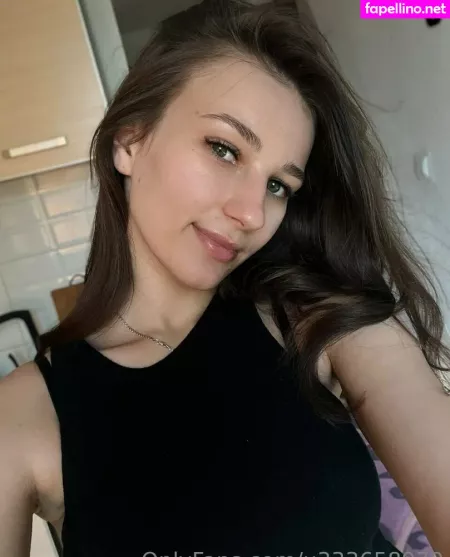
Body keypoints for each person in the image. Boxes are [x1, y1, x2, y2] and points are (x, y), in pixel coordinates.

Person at [1, 1, 449, 556]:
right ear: (129, 141)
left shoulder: (315, 323)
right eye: (224, 149)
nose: (253, 213)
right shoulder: (25, 415)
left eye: (279, 185)